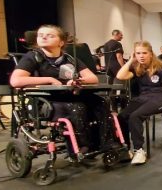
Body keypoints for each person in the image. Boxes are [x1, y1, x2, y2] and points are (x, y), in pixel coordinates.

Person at [10, 24, 119, 157]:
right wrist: (49, 79)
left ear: (61, 42)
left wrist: (77, 81)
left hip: (69, 96)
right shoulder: (32, 57)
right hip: (45, 101)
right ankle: (81, 146)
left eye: (50, 35)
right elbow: (16, 81)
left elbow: (93, 78)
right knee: (77, 107)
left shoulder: (70, 58)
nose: (44, 37)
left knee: (101, 102)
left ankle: (107, 143)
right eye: (40, 35)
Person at [116, 41, 162, 165]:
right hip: (143, 98)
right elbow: (120, 76)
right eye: (138, 53)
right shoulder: (137, 68)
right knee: (121, 116)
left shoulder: (160, 68)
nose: (141, 56)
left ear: (151, 54)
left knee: (135, 116)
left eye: (144, 53)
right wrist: (130, 61)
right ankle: (125, 149)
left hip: (160, 98)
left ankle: (139, 150)